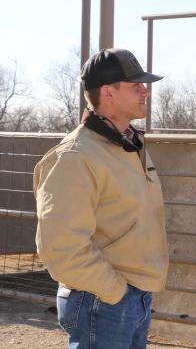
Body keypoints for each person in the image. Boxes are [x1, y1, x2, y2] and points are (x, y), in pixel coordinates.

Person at [34, 48, 169, 349]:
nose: (145, 91)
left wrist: (130, 295)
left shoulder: (127, 146)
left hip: (130, 297)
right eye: (136, 86)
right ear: (108, 92)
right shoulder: (75, 157)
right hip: (101, 301)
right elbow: (61, 246)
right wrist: (115, 292)